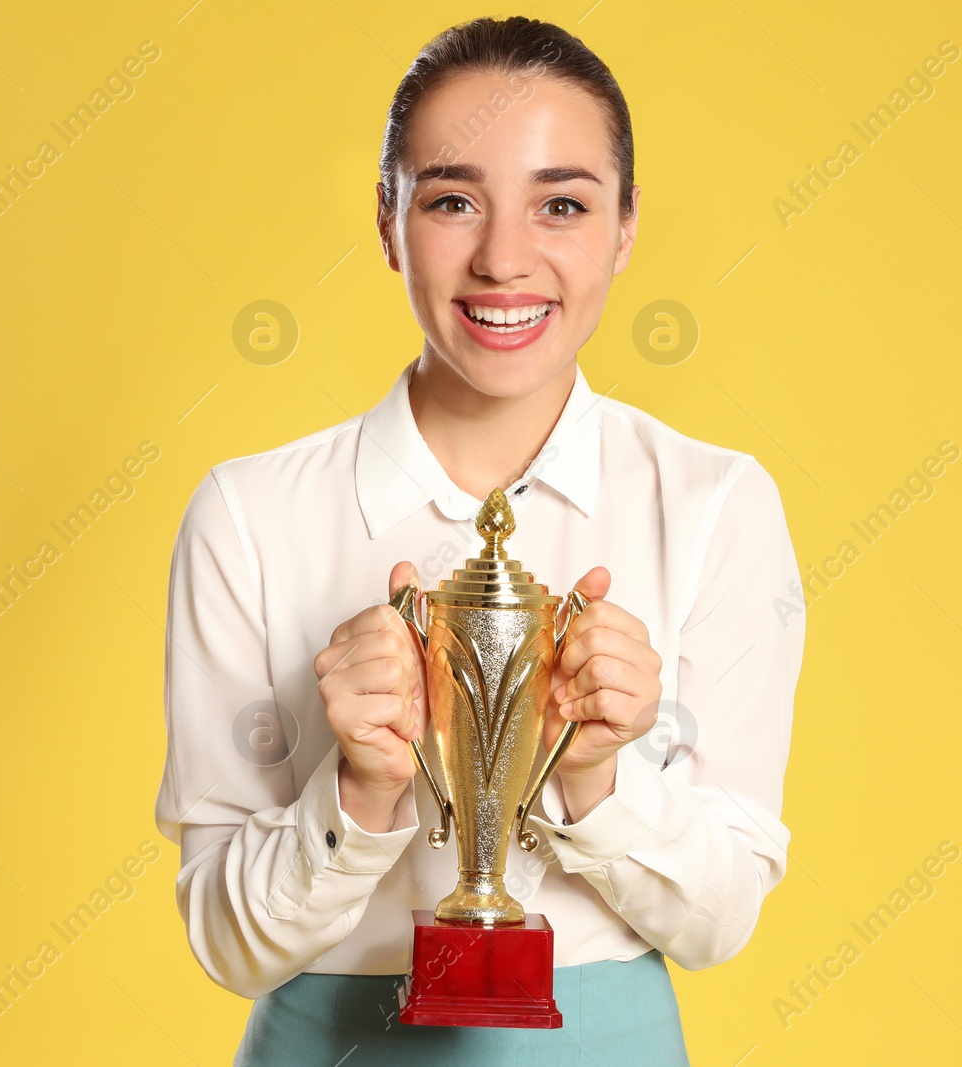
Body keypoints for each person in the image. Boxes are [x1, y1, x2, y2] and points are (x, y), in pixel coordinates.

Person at [154, 15, 803, 1064]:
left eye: (562, 204)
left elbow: (719, 919)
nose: (505, 259)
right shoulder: (249, 512)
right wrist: (360, 790)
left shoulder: (715, 502)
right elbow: (228, 942)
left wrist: (597, 776)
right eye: (453, 200)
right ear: (388, 221)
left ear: (626, 225)